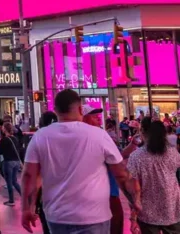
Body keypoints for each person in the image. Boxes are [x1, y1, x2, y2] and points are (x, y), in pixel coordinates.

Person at [22, 89, 140, 234]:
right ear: (79, 109)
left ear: (56, 110)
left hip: (57, 216)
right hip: (94, 216)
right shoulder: (98, 135)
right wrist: (135, 199)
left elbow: (29, 175)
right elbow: (121, 174)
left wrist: (26, 208)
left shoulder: (40, 136)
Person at [126, 119, 180, 233]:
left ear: (143, 132)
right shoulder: (173, 153)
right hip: (172, 207)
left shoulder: (136, 156)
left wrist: (133, 217)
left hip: (147, 211)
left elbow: (135, 188)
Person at [0, 122, 24, 206]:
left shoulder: (4, 140)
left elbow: (0, 151)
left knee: (9, 181)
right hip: (16, 161)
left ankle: (11, 200)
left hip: (8, 161)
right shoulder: (15, 139)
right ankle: (24, 197)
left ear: (5, 129)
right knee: (14, 181)